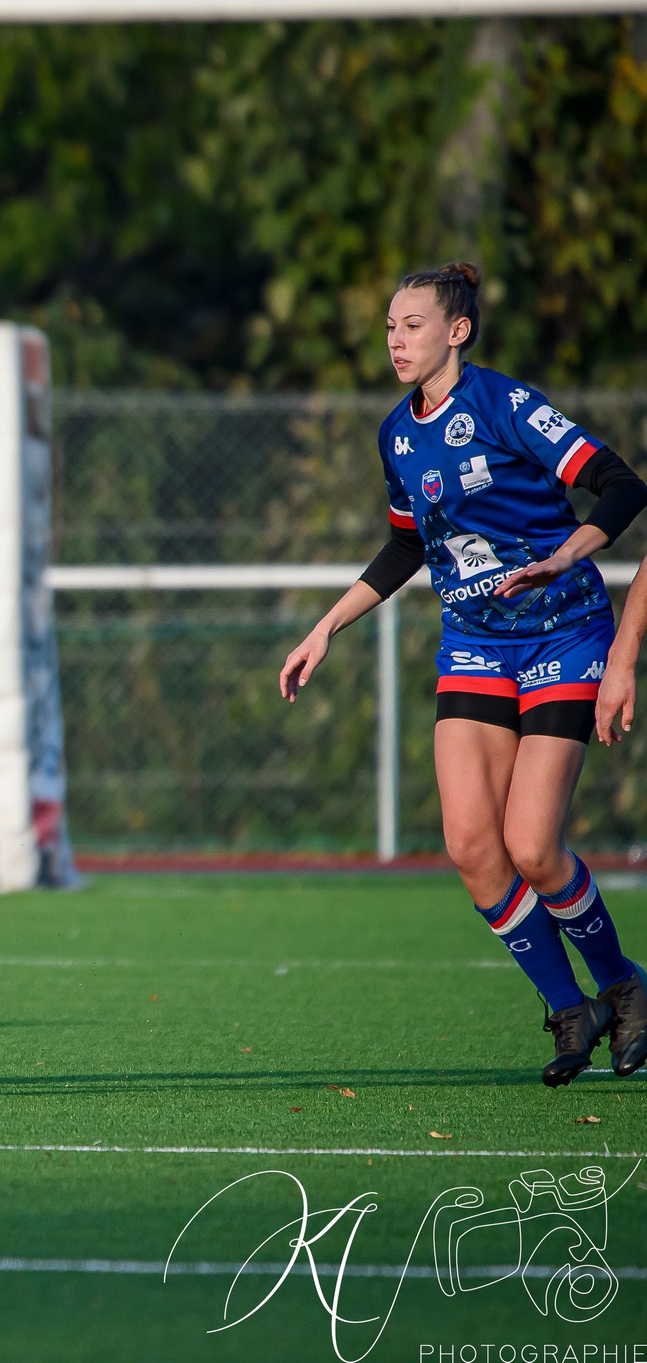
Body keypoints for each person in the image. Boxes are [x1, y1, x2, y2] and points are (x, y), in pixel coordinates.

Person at [280, 264, 647, 1086]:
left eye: (412, 325)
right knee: (473, 847)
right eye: (387, 327)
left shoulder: (506, 406)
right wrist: (325, 627)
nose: (395, 341)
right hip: (476, 643)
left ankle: (624, 985)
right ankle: (569, 1008)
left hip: (563, 636)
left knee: (533, 847)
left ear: (457, 330)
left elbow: (622, 488)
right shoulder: (397, 434)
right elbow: (408, 544)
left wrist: (561, 558)